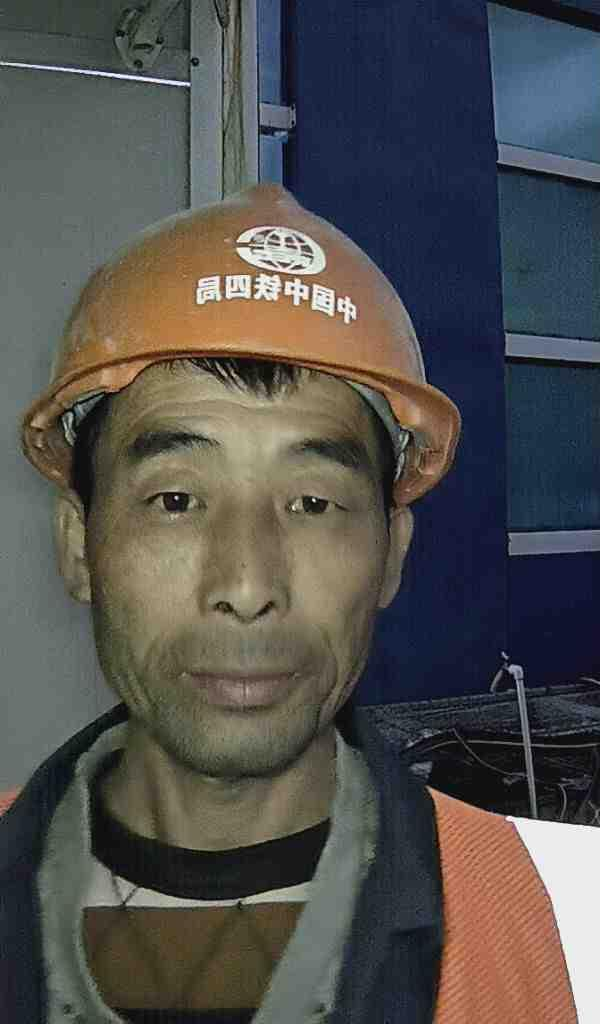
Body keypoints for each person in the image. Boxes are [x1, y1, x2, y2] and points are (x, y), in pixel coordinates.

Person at [1, 183, 596, 1024]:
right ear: (78, 545)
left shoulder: (560, 921)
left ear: (392, 554)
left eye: (313, 503)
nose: (248, 586)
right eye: (176, 499)